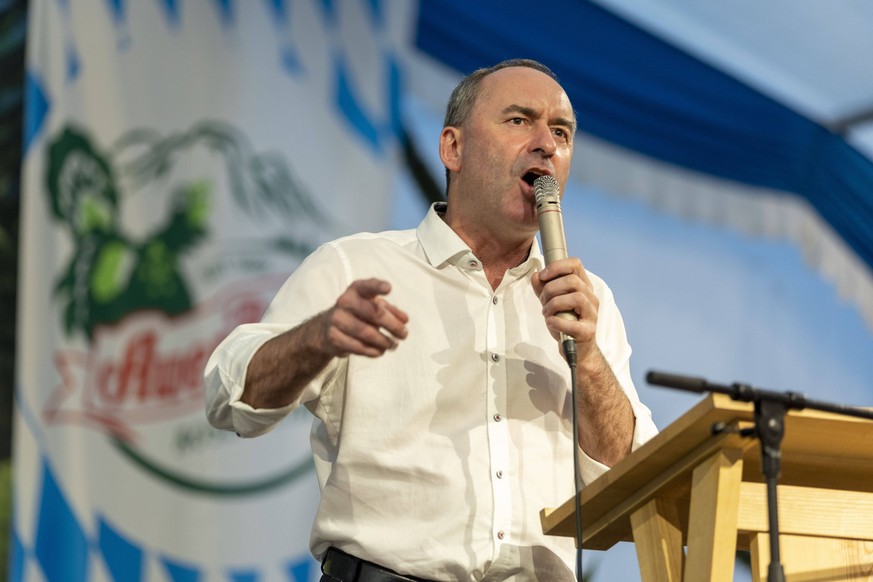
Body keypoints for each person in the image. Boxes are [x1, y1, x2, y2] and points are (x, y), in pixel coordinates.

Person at [205, 58, 658, 582]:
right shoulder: (356, 267)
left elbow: (630, 486)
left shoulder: (587, 301)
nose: (546, 144)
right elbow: (230, 398)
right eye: (519, 120)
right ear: (452, 148)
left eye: (561, 132)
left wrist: (591, 363)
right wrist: (314, 339)